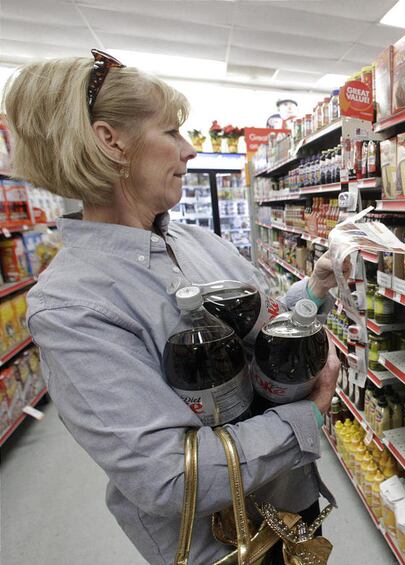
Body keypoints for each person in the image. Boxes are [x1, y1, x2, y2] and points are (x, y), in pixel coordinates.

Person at [3, 50, 341, 564]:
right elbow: (169, 477)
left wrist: (312, 292)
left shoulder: (199, 240)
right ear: (109, 141)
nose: (189, 151)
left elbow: (265, 332)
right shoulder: (71, 305)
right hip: (226, 548)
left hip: (292, 503)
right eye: (172, 132)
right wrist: (309, 417)